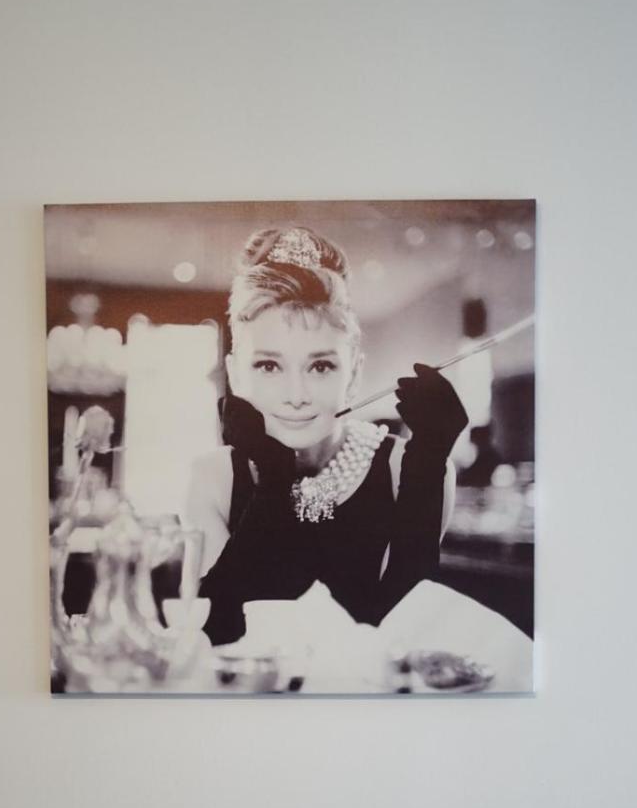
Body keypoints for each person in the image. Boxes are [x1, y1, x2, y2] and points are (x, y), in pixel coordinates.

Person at [185, 225, 468, 646]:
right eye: (268, 365)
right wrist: (272, 481)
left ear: (353, 375)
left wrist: (426, 467)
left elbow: (406, 636)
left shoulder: (408, 469)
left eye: (320, 366)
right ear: (235, 374)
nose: (296, 395)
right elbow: (220, 632)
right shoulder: (212, 476)